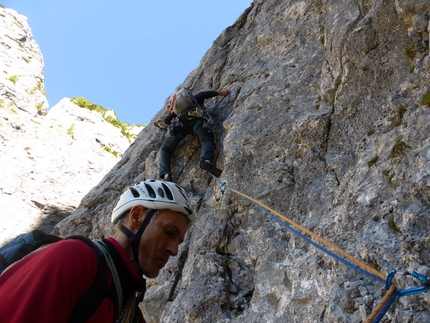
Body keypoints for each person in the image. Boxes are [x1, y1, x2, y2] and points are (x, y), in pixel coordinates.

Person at [0, 180, 195, 323]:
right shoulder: (73, 258)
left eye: (178, 241)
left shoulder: (131, 312)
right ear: (136, 217)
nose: (175, 250)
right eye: (169, 232)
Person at [159, 88, 229, 182]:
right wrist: (221, 93)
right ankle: (206, 160)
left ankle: (166, 174)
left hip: (181, 126)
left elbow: (167, 121)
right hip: (196, 122)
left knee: (165, 149)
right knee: (206, 140)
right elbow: (202, 95)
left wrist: (175, 113)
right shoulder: (194, 98)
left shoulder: (177, 109)